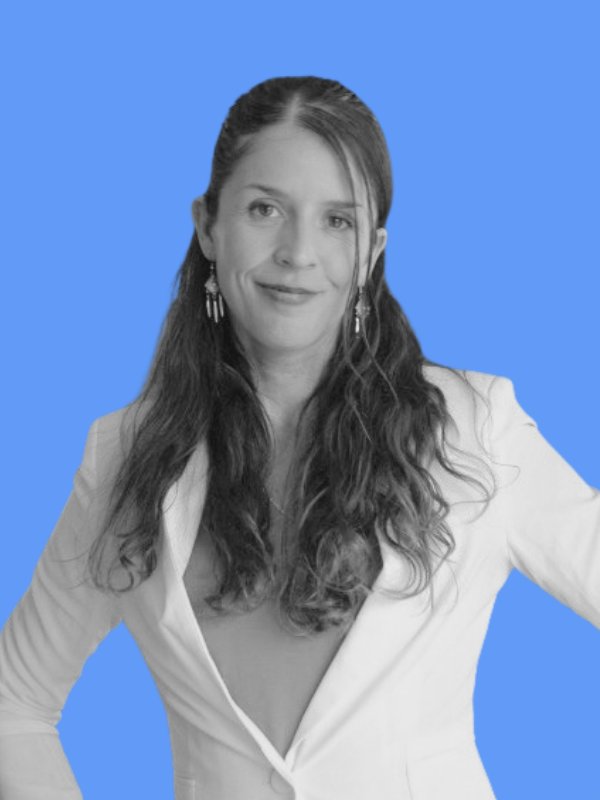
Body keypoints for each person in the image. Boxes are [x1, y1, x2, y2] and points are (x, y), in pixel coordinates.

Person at [0, 75, 598, 800]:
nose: (297, 252)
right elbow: (15, 702)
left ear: (373, 250)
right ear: (207, 224)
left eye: (337, 221)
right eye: (264, 210)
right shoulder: (127, 456)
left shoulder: (475, 431)